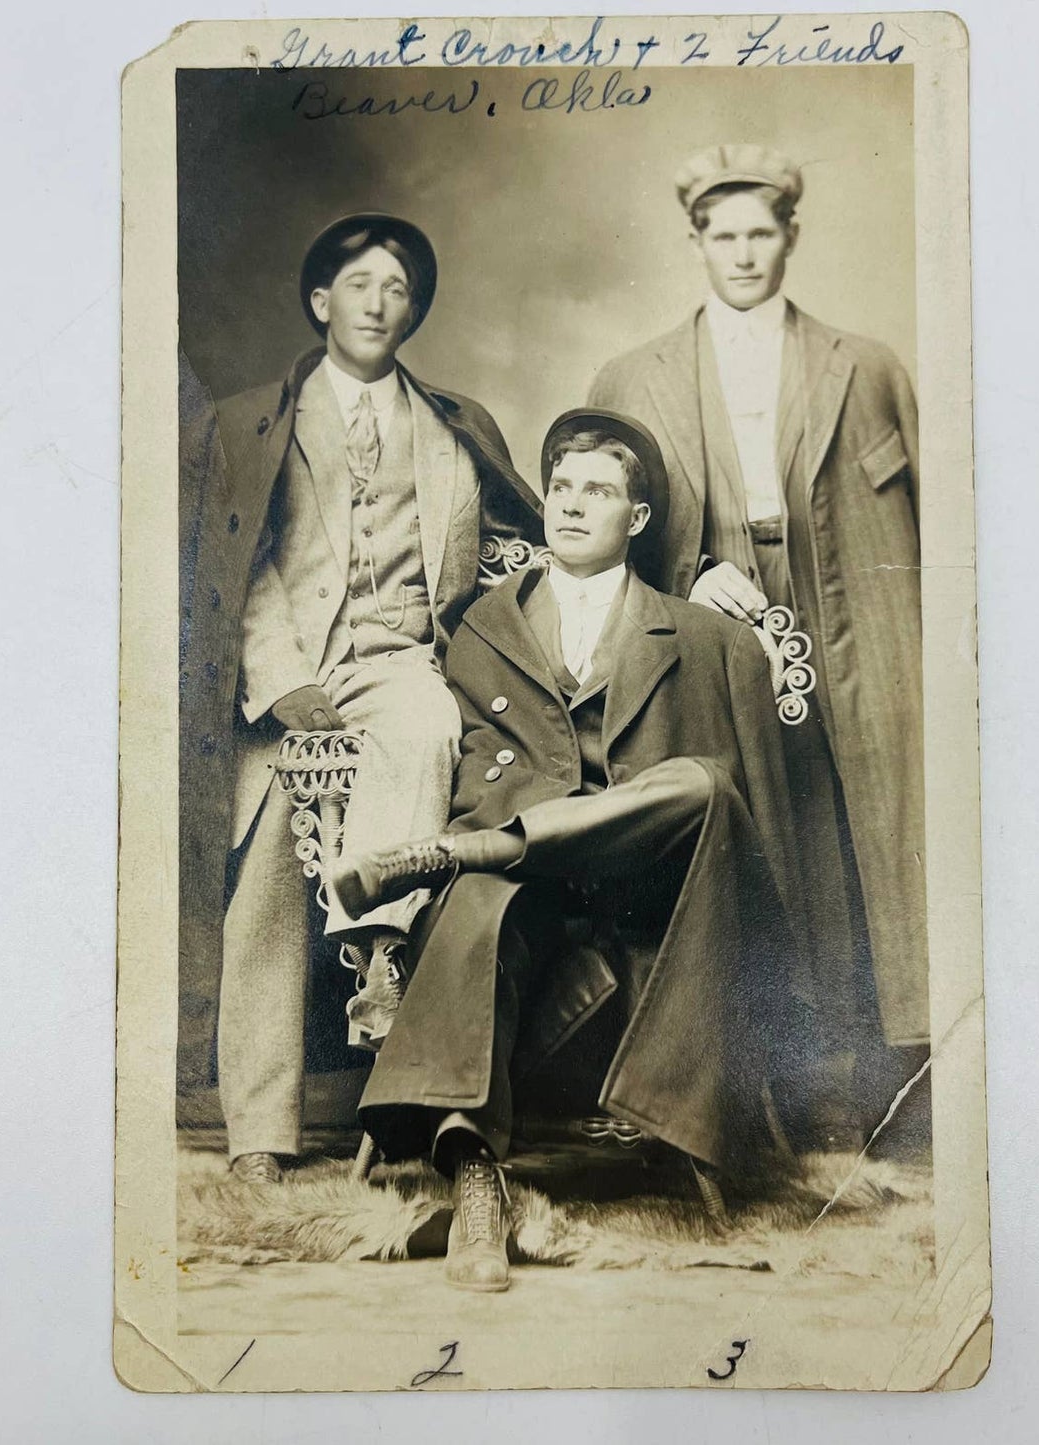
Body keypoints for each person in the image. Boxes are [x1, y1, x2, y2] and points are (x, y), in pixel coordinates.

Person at [331, 410, 818, 1291]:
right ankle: (476, 1183)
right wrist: (515, 834)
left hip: (652, 880)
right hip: (535, 880)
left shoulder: (701, 634)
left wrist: (498, 838)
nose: (569, 504)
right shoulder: (486, 625)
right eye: (559, 486)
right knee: (484, 893)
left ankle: (455, 855)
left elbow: (737, 806)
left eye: (596, 490)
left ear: (635, 517)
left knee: (701, 782)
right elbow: (479, 770)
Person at [178, 214, 542, 1182]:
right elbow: (240, 567)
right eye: (362, 285)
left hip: (397, 659)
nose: (381, 303)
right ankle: (258, 1131)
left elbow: (508, 554)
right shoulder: (257, 420)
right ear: (319, 303)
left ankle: (378, 959)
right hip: (290, 663)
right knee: (262, 866)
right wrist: (285, 682)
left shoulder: (454, 426)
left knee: (425, 733)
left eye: (398, 289)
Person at [587, 144, 927, 1146]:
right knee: (756, 827)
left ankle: (863, 1074)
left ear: (789, 238)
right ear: (695, 243)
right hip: (711, 607)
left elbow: (939, 514)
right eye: (721, 235)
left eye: (759, 234)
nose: (741, 254)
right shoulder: (632, 374)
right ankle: (748, 1086)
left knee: (861, 824)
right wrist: (689, 570)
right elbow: (599, 519)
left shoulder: (861, 364)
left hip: (849, 604)